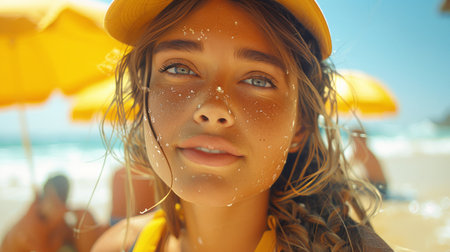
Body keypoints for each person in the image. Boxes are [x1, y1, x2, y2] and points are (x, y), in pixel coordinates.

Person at [94, 0, 393, 251]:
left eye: (258, 80)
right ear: (141, 97)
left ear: (300, 124)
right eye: (179, 68)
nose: (212, 108)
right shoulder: (117, 246)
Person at [1, 174, 107, 252]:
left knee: (85, 218)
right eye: (53, 201)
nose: (63, 208)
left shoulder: (51, 220)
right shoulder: (31, 227)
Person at [350, 129, 389, 198]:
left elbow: (346, 167)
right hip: (381, 186)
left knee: (350, 189)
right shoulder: (367, 151)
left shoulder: (361, 152)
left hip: (378, 188)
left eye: (354, 139)